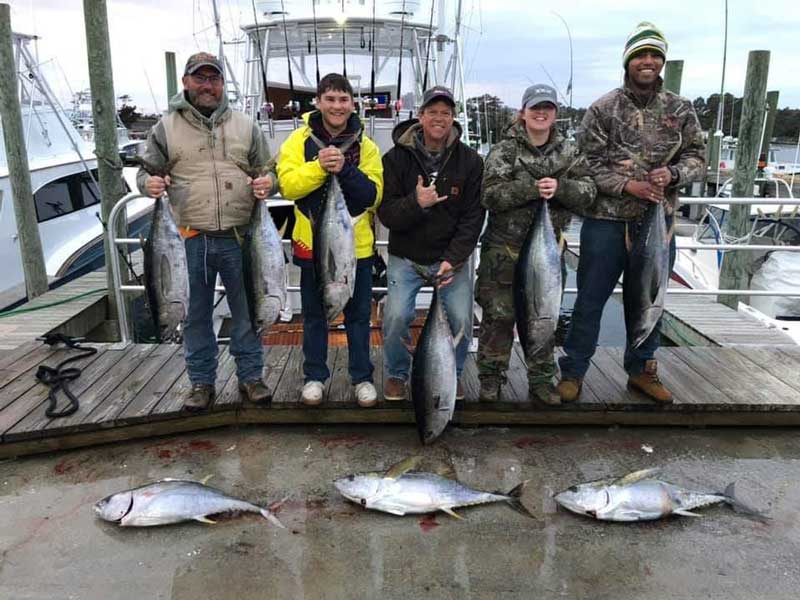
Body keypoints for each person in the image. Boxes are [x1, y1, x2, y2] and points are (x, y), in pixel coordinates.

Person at [557, 22, 705, 404]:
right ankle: (573, 371)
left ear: (662, 62)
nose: (648, 61)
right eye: (641, 55)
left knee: (650, 299)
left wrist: (673, 174)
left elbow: (698, 158)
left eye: (655, 55)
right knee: (590, 299)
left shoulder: (681, 108)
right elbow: (584, 163)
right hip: (606, 222)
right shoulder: (603, 108)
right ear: (628, 61)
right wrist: (627, 186)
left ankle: (642, 369)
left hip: (658, 223)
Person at [136, 52, 277, 411]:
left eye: (213, 79)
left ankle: (251, 377)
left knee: (247, 310)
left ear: (222, 84)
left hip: (239, 236)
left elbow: (268, 169)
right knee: (195, 314)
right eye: (199, 78)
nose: (207, 85)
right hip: (188, 238)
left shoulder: (246, 125)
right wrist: (148, 184)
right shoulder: (165, 127)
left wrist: (268, 182)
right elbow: (144, 173)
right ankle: (201, 382)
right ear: (185, 82)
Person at [476, 84, 596, 405]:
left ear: (555, 113)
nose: (541, 113)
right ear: (523, 112)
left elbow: (588, 194)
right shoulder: (504, 151)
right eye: (535, 107)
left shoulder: (569, 152)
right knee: (498, 315)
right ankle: (491, 377)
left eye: (547, 108)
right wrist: (531, 188)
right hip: (502, 250)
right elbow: (489, 195)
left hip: (549, 251)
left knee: (545, 313)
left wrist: (560, 188)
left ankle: (541, 380)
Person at [276, 73, 383, 408]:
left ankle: (362, 377)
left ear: (353, 104)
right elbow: (289, 186)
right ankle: (314, 376)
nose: (337, 106)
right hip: (312, 248)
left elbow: (373, 196)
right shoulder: (297, 141)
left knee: (358, 317)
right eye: (330, 99)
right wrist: (320, 166)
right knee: (314, 316)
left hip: (357, 250)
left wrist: (345, 169)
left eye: (343, 99)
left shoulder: (367, 146)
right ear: (318, 102)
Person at [378, 86, 485, 401]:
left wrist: (454, 259)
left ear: (453, 118)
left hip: (451, 261)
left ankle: (453, 374)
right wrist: (417, 202)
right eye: (433, 112)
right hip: (406, 257)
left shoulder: (471, 162)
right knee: (396, 317)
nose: (439, 118)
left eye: (446, 113)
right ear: (420, 116)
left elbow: (473, 218)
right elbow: (387, 214)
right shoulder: (395, 159)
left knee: (463, 319)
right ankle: (397, 373)